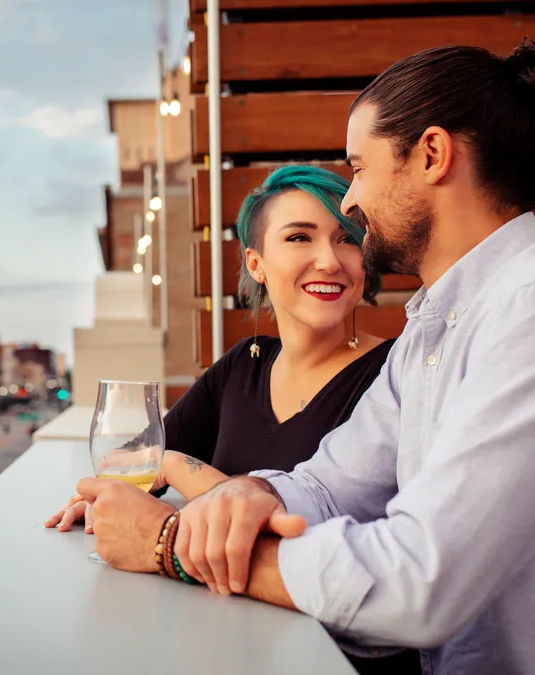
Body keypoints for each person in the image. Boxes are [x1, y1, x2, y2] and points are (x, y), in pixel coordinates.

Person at [76, 40, 535, 675]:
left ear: (431, 155)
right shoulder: (432, 331)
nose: (349, 201)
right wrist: (253, 495)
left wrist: (171, 543)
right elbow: (326, 485)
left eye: (360, 169)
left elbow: (423, 583)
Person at [47, 166, 418, 674]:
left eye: (347, 240)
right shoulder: (246, 362)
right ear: (257, 263)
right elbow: (140, 460)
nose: (329, 260)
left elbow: (292, 527)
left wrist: (176, 468)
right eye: (299, 237)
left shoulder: (393, 378)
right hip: (224, 641)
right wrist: (99, 496)